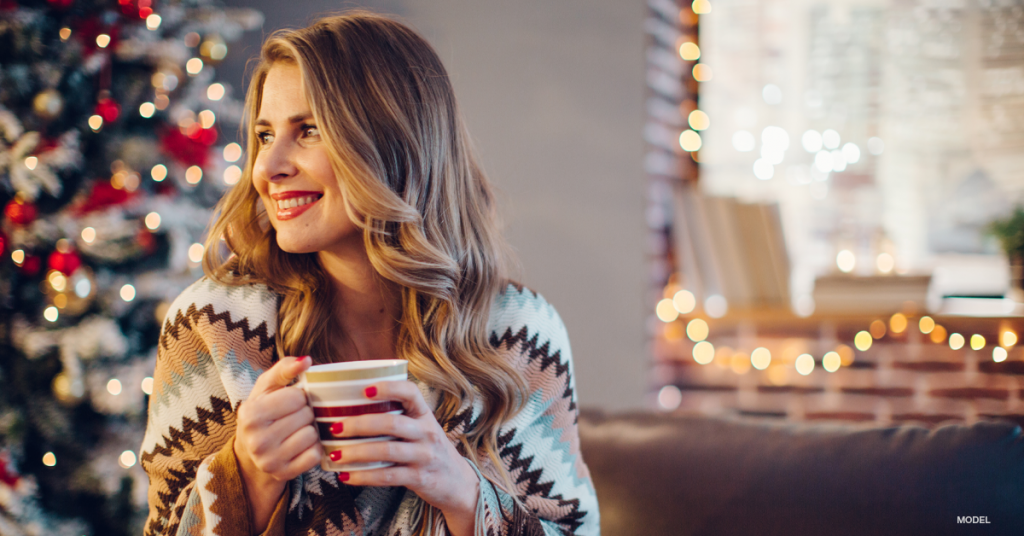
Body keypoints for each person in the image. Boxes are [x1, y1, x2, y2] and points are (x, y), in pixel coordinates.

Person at [140, 11, 599, 536]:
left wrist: (461, 492)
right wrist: (245, 478)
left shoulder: (520, 335)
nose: (267, 168)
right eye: (265, 136)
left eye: (308, 130)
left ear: (393, 141)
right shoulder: (215, 326)